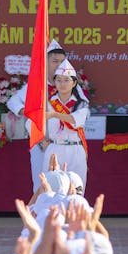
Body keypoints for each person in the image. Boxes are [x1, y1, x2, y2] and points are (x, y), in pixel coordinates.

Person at [6, 39, 68, 189]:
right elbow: (13, 102)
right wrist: (28, 113)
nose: (59, 65)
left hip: (64, 144)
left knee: (65, 184)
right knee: (42, 184)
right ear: (45, 63)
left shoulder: (71, 85)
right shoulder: (36, 86)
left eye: (62, 61)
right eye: (54, 61)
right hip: (41, 143)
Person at [42, 59, 90, 188]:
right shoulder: (47, 104)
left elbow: (75, 120)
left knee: (76, 189)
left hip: (75, 148)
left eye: (66, 80)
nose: (62, 84)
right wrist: (42, 139)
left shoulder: (81, 104)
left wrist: (54, 114)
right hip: (54, 148)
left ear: (74, 83)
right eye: (58, 80)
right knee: (51, 189)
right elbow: (33, 123)